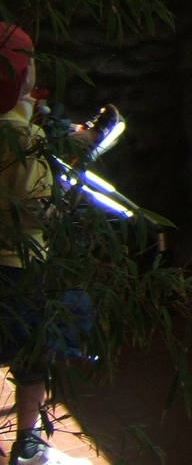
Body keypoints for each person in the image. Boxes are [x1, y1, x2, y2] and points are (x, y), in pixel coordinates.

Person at [0, 24, 91, 465]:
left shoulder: (19, 127)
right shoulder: (20, 140)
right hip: (18, 265)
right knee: (33, 355)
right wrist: (67, 205)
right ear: (21, 76)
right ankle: (28, 445)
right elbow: (36, 212)